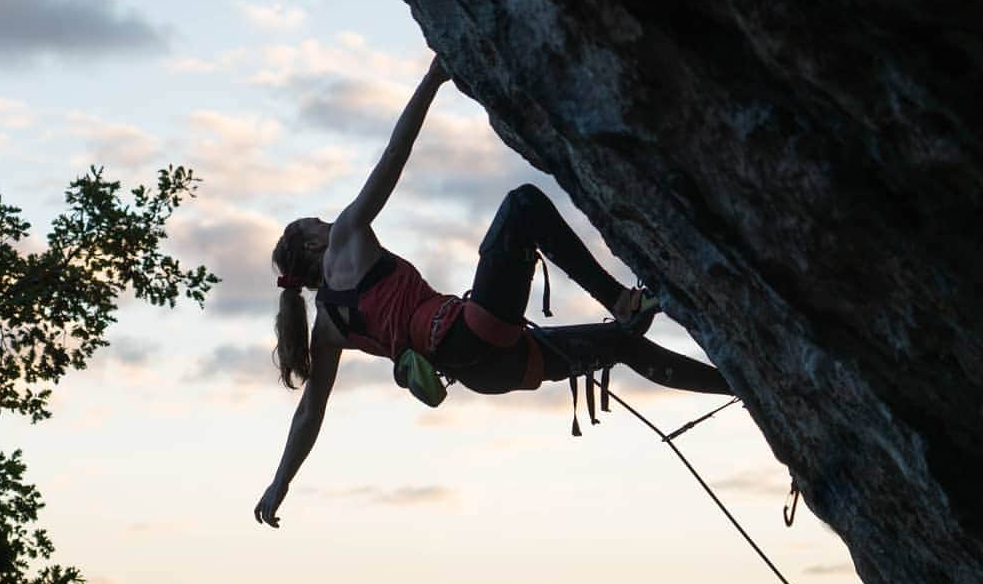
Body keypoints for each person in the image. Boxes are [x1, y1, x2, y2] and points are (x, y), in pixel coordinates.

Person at [254, 56, 730, 528]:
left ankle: (737, 386)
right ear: (314, 243)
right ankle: (623, 300)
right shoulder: (343, 241)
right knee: (522, 205)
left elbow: (309, 413)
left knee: (623, 346)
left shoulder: (327, 328)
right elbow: (394, 156)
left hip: (487, 372)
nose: (326, 219)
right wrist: (432, 80)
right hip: (470, 333)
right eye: (314, 221)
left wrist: (280, 485)